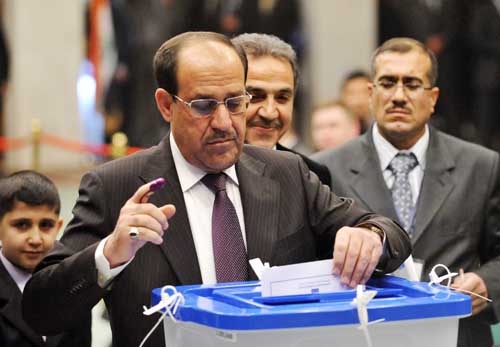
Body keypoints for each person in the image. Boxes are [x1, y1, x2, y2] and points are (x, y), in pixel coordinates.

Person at [22, 32, 411, 347]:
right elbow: (40, 308)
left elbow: (391, 234)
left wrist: (370, 236)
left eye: (236, 101)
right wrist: (108, 255)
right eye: (205, 105)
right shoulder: (115, 186)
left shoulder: (287, 173)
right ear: (165, 104)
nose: (225, 122)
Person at [313, 37, 500, 347]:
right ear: (371, 93)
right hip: (362, 336)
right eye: (388, 83)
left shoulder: (481, 166)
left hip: (456, 334)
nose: (399, 96)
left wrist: (486, 282)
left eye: (412, 84)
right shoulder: (325, 169)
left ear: (433, 97)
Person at [0, 171, 91, 347]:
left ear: (58, 227)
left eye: (45, 225)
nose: (35, 239)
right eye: (22, 225)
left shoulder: (73, 280)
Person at [231, 33, 330, 186]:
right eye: (255, 96)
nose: (269, 113)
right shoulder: (198, 168)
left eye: (282, 98)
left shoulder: (312, 175)